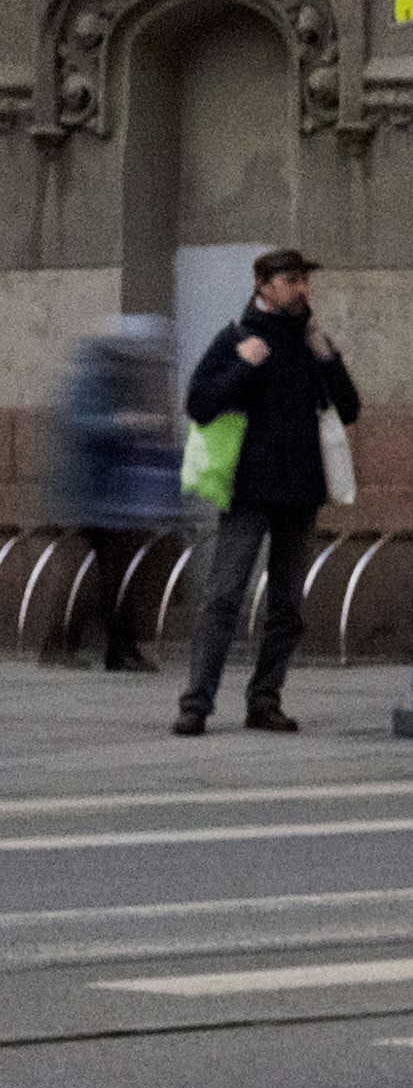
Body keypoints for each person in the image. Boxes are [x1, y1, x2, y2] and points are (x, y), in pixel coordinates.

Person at [178, 250, 359, 735]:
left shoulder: (310, 344)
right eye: (290, 279)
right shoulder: (237, 338)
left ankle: (265, 699)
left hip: (300, 492)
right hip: (250, 492)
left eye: (304, 280)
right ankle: (196, 702)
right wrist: (242, 366)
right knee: (223, 595)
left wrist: (331, 360)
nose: (302, 288)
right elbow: (198, 404)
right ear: (263, 285)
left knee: (287, 605)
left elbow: (350, 408)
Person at [40, 313, 169, 672]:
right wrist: (124, 422)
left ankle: (91, 646)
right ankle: (103, 648)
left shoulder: (120, 375)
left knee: (111, 575)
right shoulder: (95, 374)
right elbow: (82, 423)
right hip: (93, 495)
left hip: (111, 496)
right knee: (110, 575)